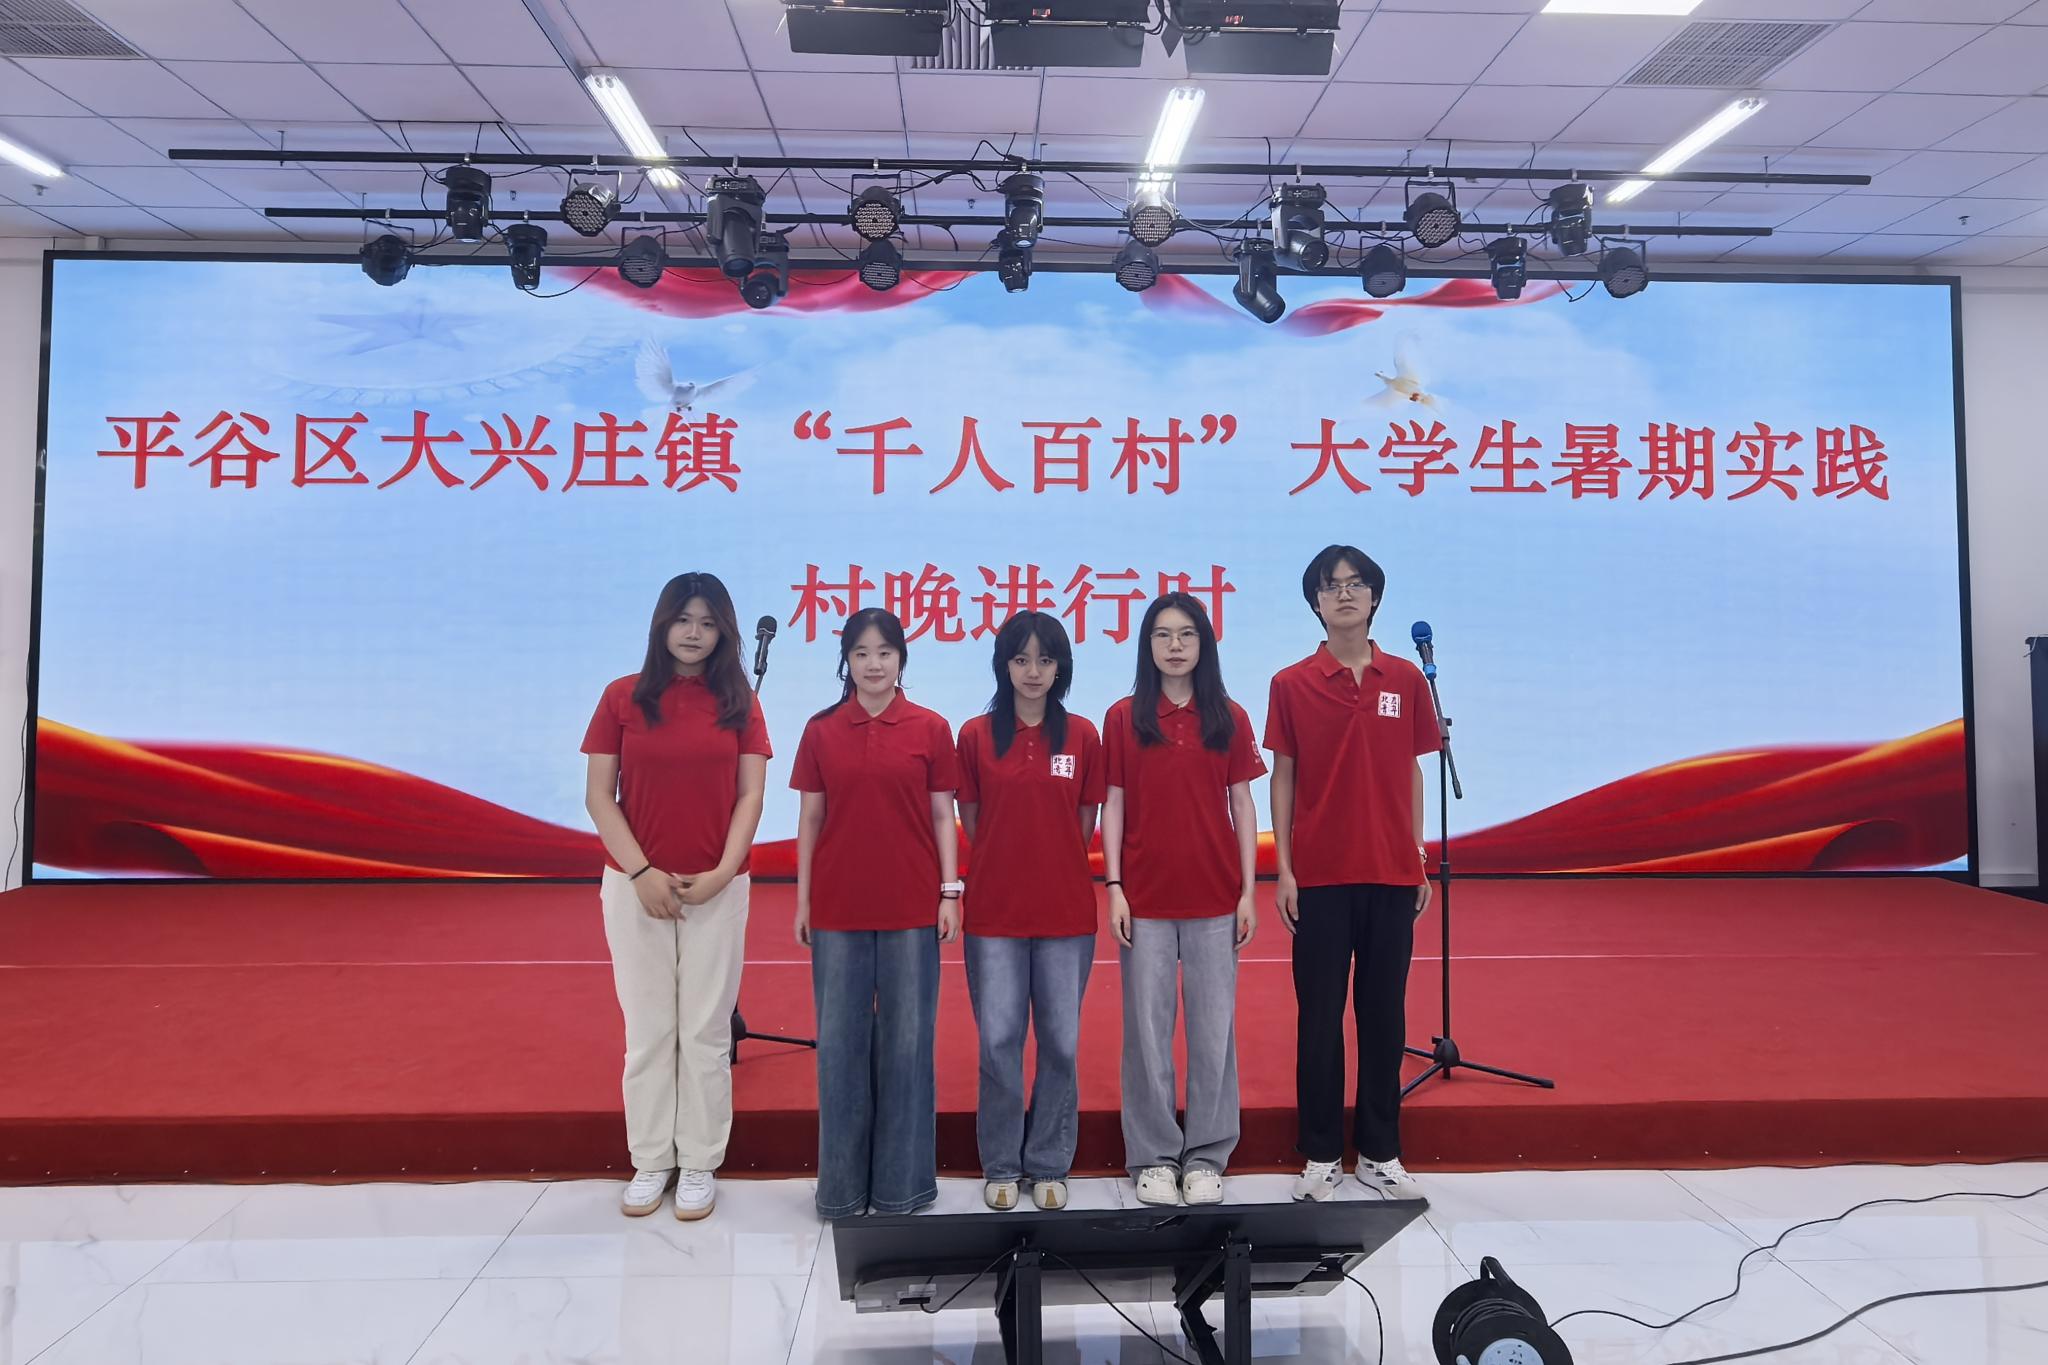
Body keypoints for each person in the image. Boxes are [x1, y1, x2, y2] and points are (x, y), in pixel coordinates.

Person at [582, 572, 770, 1221]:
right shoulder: (622, 697)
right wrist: (641, 873)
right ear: (662, 624)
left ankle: (698, 1161)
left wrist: (722, 871)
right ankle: (650, 1159)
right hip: (635, 887)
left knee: (705, 1030)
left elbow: (751, 794)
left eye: (708, 622)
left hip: (718, 887)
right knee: (649, 1029)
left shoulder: (740, 702)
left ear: (725, 632)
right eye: (684, 619)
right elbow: (599, 796)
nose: (694, 633)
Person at [1266, 545, 1438, 1203]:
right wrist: (1284, 869)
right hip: (1320, 876)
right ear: (1315, 601)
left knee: (1383, 1015)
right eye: (1331, 585)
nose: (1344, 594)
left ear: (1374, 598)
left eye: (1356, 583)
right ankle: (1320, 1154)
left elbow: (1412, 769)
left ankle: (1379, 1151)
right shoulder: (1291, 683)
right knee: (1319, 1017)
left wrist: (1416, 855)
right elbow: (1283, 776)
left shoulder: (1406, 679)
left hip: (1391, 872)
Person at [791, 607, 961, 1219]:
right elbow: (810, 818)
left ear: (901, 659)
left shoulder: (930, 728)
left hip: (911, 906)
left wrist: (949, 892)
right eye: (861, 653)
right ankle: (840, 1190)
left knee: (907, 1046)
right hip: (837, 908)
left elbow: (943, 814)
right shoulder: (821, 730)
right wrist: (804, 899)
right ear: (846, 660)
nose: (873, 664)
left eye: (884, 652)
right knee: (839, 1047)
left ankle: (901, 1187)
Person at [1102, 592, 1264, 1208]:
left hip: (1215, 897)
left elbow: (1242, 804)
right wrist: (1115, 886)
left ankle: (1206, 1155)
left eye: (1187, 635)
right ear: (1147, 645)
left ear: (1204, 645)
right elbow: (1114, 804)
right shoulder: (1124, 717)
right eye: (1163, 635)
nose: (1175, 646)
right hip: (1144, 898)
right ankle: (1152, 1156)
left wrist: (1248, 891)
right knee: (1146, 1033)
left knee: (1212, 1032)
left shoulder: (1228, 716)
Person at [957, 611, 1105, 1212]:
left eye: (1046, 660)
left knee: (1061, 1044)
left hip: (1066, 914)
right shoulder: (975, 736)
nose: (1034, 672)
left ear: (1061, 667)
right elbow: (972, 820)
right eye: (1021, 659)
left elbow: (1084, 823)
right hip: (994, 913)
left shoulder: (1083, 736)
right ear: (1004, 666)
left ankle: (1048, 1162)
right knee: (999, 1042)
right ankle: (1000, 1162)